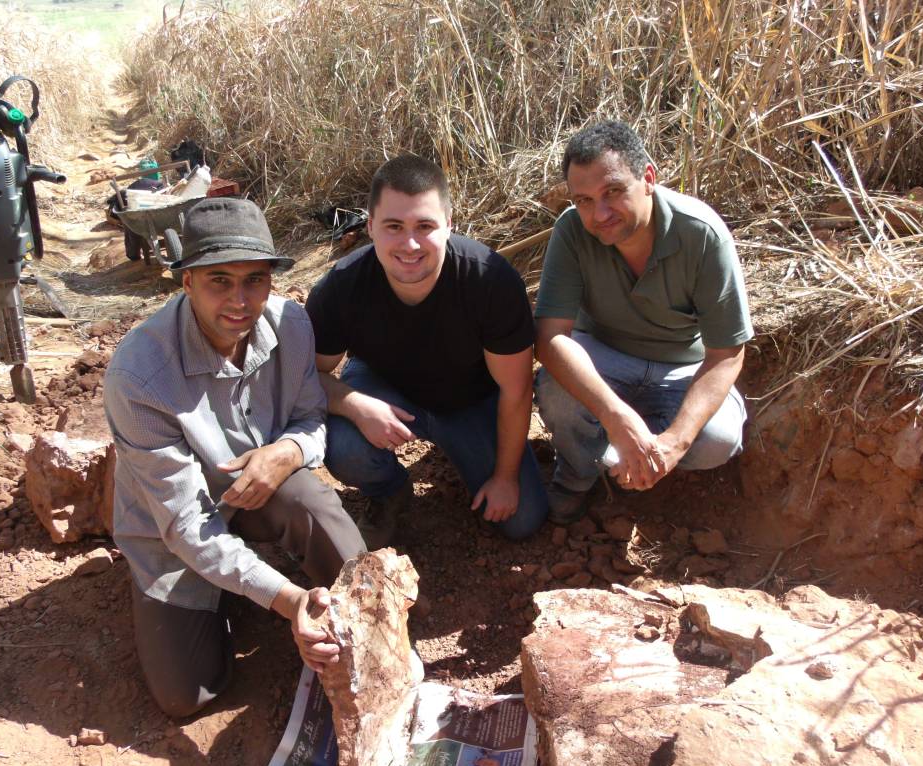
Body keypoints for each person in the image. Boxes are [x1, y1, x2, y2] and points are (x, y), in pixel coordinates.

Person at [103, 198, 365, 718]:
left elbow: (311, 419)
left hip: (260, 495)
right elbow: (185, 525)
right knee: (188, 696)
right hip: (175, 531)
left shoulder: (291, 323)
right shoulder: (139, 377)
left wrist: (284, 452)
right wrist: (289, 601)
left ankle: (367, 608)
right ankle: (239, 594)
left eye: (255, 280)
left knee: (307, 495)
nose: (240, 301)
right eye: (219, 280)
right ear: (187, 282)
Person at [305, 155, 548, 547]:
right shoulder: (341, 288)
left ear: (450, 225)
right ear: (370, 227)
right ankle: (388, 490)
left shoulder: (490, 281)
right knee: (344, 447)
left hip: (472, 401)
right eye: (394, 227)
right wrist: (356, 405)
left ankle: (478, 456)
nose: (410, 244)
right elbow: (308, 375)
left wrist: (504, 478)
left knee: (523, 520)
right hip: (387, 389)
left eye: (425, 226)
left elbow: (516, 389)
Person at [534, 120, 753, 524]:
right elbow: (551, 339)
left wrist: (674, 442)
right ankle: (580, 473)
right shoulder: (571, 230)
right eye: (583, 200)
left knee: (718, 439)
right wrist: (616, 416)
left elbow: (725, 353)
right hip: (604, 354)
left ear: (648, 178)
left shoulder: (702, 233)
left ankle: (640, 460)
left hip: (681, 367)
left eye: (613, 192)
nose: (599, 214)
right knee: (556, 392)